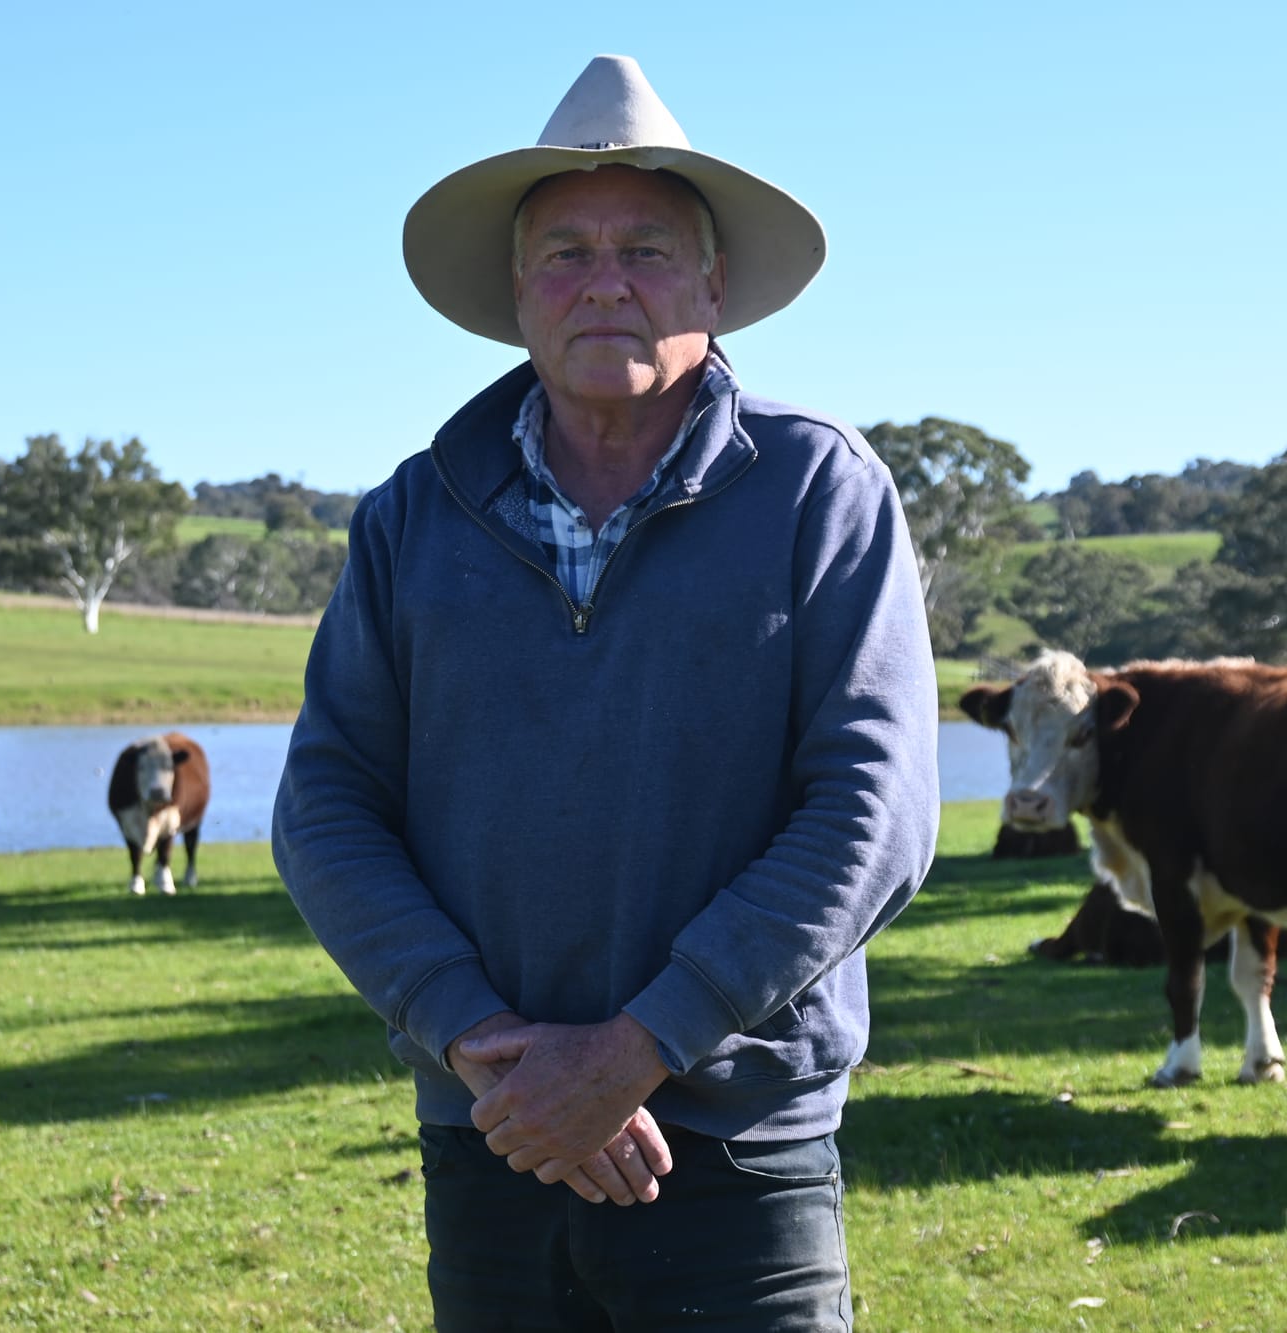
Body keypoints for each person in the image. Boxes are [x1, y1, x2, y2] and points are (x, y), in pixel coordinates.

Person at [272, 53, 939, 1331]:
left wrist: (639, 1042)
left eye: (644, 248)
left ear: (713, 283)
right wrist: (473, 1037)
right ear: (517, 291)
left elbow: (873, 810)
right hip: (493, 1136)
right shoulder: (415, 514)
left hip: (738, 1146)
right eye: (566, 253)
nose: (606, 283)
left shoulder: (816, 490)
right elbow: (328, 804)